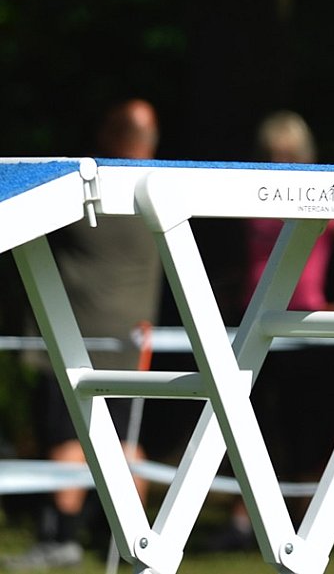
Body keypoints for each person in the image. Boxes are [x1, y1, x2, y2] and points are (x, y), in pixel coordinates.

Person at [207, 111, 334, 550]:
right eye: (272, 154)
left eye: (289, 154)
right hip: (252, 320)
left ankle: (306, 525)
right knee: (247, 423)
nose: (280, 161)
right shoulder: (251, 198)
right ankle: (245, 521)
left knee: (305, 426)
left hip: (306, 326)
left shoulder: (322, 199)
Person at [6, 100, 164, 571]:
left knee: (68, 439)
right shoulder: (161, 190)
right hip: (134, 343)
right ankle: (135, 540)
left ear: (110, 136)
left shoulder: (87, 189)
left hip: (76, 339)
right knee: (127, 444)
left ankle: (61, 537)